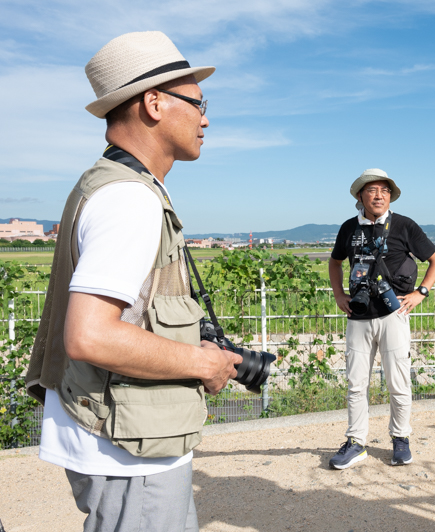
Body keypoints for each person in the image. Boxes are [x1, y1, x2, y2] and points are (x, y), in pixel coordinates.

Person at [25, 31, 241, 532]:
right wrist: (202, 361)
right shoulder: (130, 199)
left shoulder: (105, 184)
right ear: (154, 102)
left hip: (120, 436)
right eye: (198, 102)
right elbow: (90, 334)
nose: (206, 118)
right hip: (127, 447)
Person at [328, 169, 435, 469]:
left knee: (398, 381)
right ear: (360, 196)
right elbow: (335, 261)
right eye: (372, 190)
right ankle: (356, 442)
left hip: (394, 313)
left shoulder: (404, 225)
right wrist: (339, 295)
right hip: (358, 315)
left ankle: (401, 439)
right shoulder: (348, 228)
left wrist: (421, 292)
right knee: (356, 384)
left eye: (384, 190)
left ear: (390, 196)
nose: (379, 195)